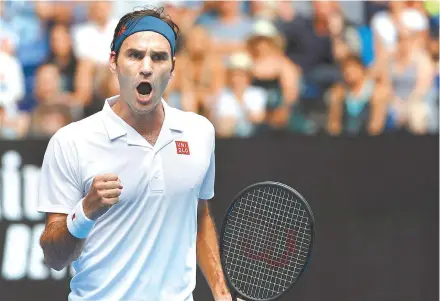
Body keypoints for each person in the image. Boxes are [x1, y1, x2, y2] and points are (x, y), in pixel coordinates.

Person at [37, 7, 232, 301]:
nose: (146, 67)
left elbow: (199, 215)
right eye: (135, 55)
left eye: (158, 57)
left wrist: (221, 292)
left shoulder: (200, 132)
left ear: (172, 67)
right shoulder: (71, 141)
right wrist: (86, 211)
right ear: (114, 62)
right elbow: (54, 257)